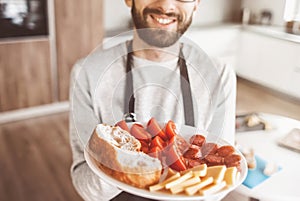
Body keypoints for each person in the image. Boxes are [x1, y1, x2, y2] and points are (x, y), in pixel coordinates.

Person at [69, 0, 236, 200]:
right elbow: (85, 183)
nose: (166, 5)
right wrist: (123, 161)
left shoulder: (219, 75)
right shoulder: (88, 73)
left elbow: (220, 179)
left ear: (197, 3)